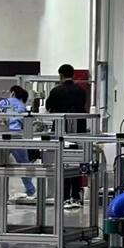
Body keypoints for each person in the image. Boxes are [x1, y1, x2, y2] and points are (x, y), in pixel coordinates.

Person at [46, 64, 86, 208]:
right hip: (78, 132)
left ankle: (63, 196)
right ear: (72, 74)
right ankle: (76, 195)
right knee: (76, 162)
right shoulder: (81, 91)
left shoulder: (56, 91)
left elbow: (49, 107)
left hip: (61, 131)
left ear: (61, 75)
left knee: (62, 163)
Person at [0, 85, 36, 200]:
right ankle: (30, 190)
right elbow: (25, 123)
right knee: (24, 163)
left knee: (2, 164)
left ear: (12, 93)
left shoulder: (3, 102)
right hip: (16, 136)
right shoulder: (21, 106)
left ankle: (3, 194)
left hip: (2, 136)